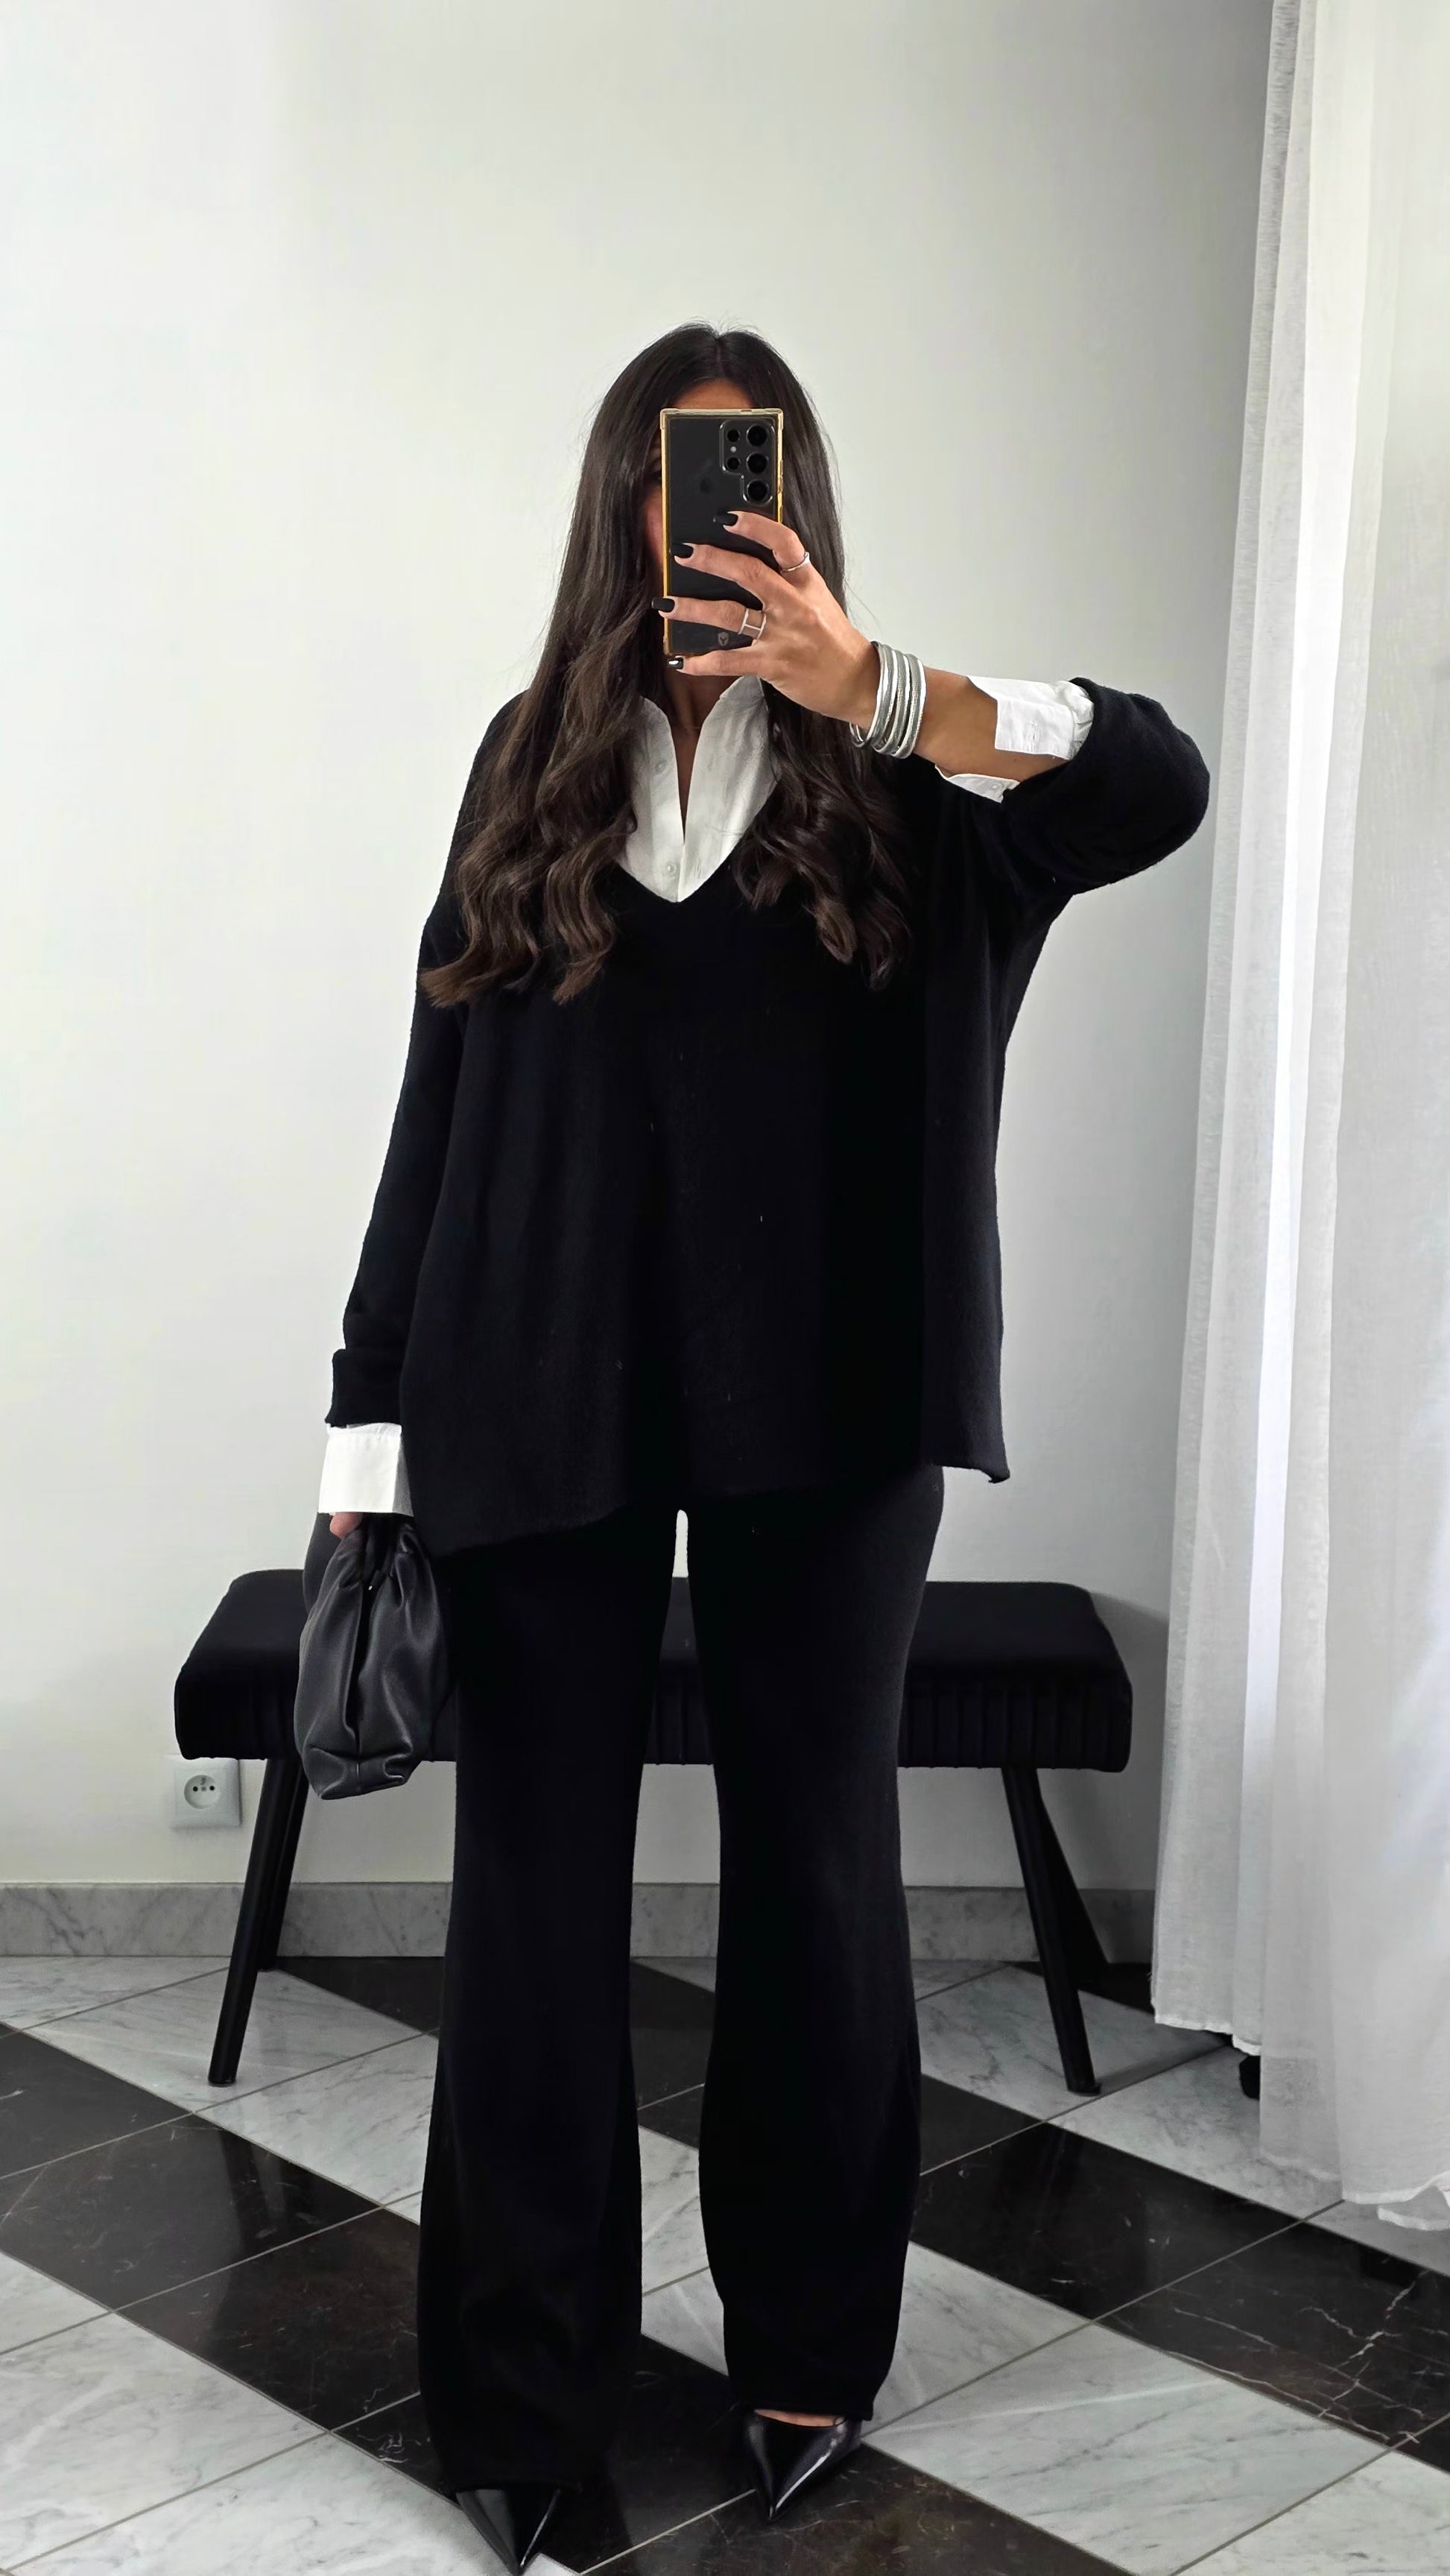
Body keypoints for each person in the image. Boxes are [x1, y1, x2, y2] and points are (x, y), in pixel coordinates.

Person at [316, 322, 1210, 2574]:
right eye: (680, 467)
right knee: (534, 1899)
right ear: (621, 500)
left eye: (756, 466)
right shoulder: (527, 763)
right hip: (533, 1388)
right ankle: (523, 2396)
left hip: (831, 1408)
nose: (715, 506)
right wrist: (360, 1433)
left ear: (798, 499)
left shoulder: (900, 781)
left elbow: (1154, 781)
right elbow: (439, 1102)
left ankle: (810, 2343)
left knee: (818, 1875)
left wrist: (880, 688)